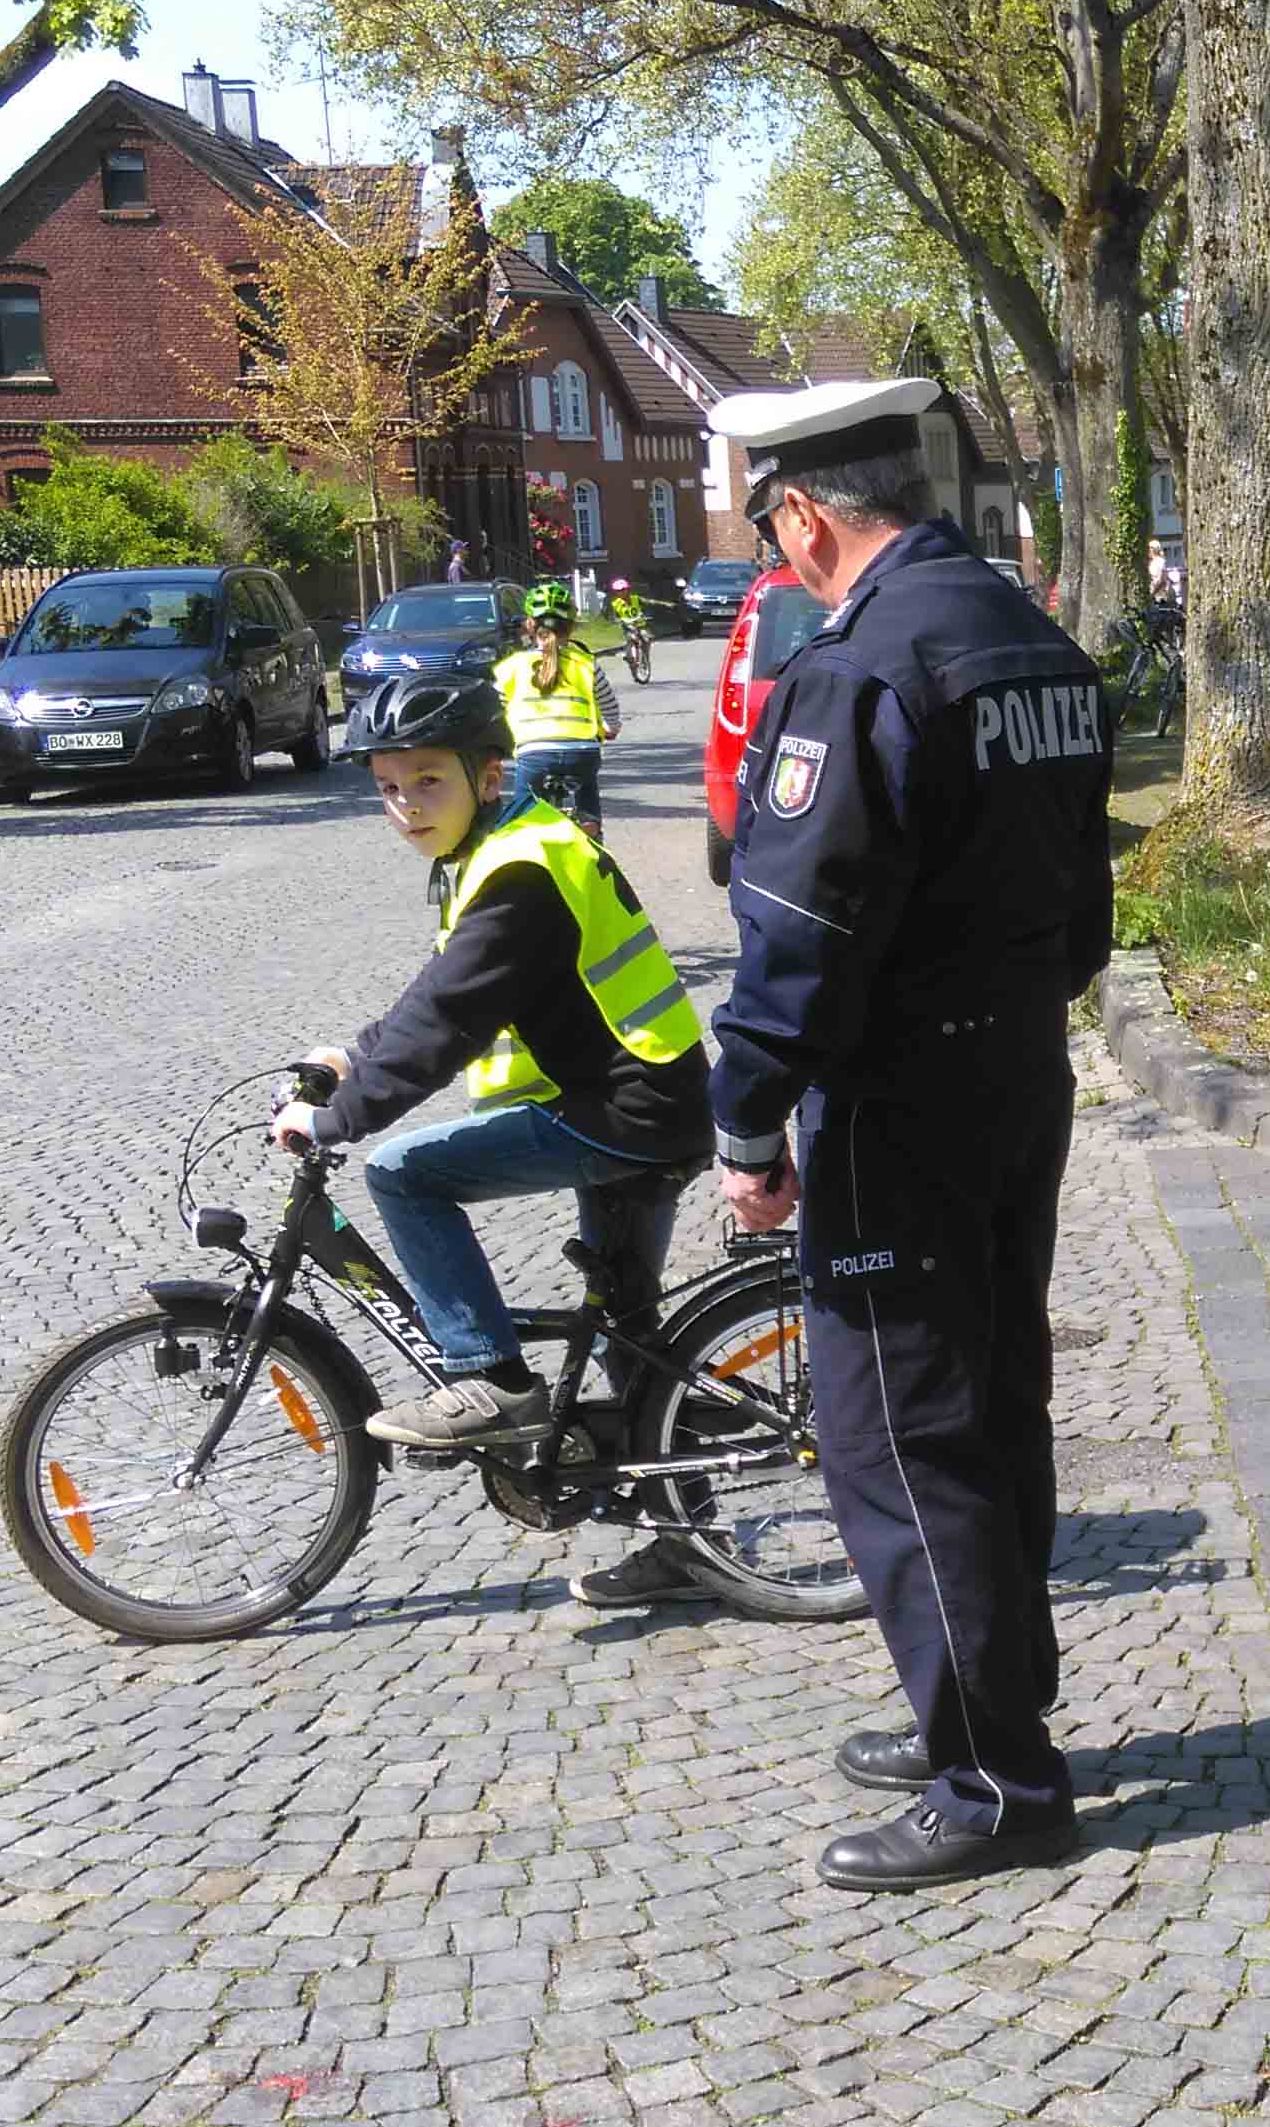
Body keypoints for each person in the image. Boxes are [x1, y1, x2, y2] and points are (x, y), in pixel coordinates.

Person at [705, 377, 1114, 1893]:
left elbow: (801, 933)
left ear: (805, 512)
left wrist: (747, 1118)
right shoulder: (1030, 639)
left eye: (771, 527)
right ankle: (1003, 1693)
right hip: (1020, 1068)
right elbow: (1084, 909)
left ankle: (997, 1780)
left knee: (900, 1432)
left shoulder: (860, 667)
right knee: (997, 1390)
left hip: (901, 1097)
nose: (776, 554)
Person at [270, 677, 712, 1510]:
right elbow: (446, 987)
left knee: (404, 1173)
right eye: (388, 788)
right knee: (629, 1337)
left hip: (625, 1114)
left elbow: (447, 1019)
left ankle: (492, 1381)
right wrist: (351, 1054)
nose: (406, 805)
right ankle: (687, 1540)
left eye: (428, 780)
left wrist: (338, 1117)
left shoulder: (519, 871)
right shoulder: (504, 847)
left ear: (491, 776)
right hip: (645, 1103)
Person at [500, 584, 618, 833]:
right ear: (572, 626)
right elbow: (608, 702)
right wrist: (611, 727)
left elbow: (494, 709)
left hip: (534, 753)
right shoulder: (586, 663)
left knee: (522, 819)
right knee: (587, 791)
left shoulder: (513, 665)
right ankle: (590, 831)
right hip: (582, 751)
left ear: (530, 625)